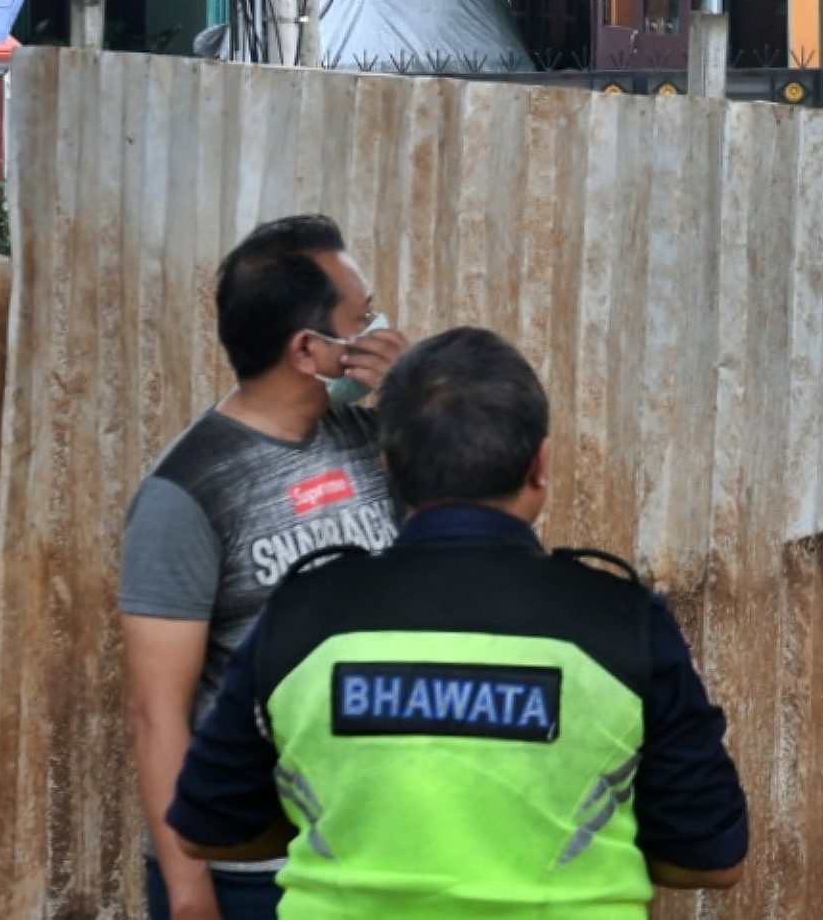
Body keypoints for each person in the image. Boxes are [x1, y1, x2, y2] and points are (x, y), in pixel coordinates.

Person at [168, 327, 752, 913]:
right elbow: (712, 859)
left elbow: (206, 828)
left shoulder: (303, 613)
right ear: (540, 467)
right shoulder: (623, 620)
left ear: (390, 467)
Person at [121, 216, 408, 920]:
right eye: (363, 317)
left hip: (372, 854)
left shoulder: (385, 441)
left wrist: (419, 395)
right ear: (309, 349)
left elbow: (479, 529)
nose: (381, 330)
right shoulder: (186, 491)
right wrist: (190, 892)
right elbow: (158, 712)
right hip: (249, 870)